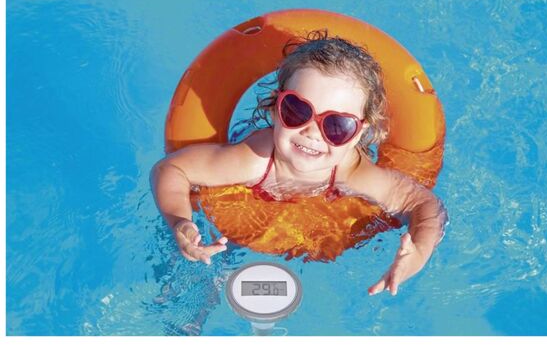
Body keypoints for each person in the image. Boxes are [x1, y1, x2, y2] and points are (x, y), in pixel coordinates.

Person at [151, 31, 448, 296]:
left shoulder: (352, 172)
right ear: (274, 107)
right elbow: (171, 169)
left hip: (312, 216)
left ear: (359, 133)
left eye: (336, 125)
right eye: (297, 111)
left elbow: (424, 204)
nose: (312, 133)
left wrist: (419, 253)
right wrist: (180, 221)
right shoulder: (253, 159)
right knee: (203, 265)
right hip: (243, 209)